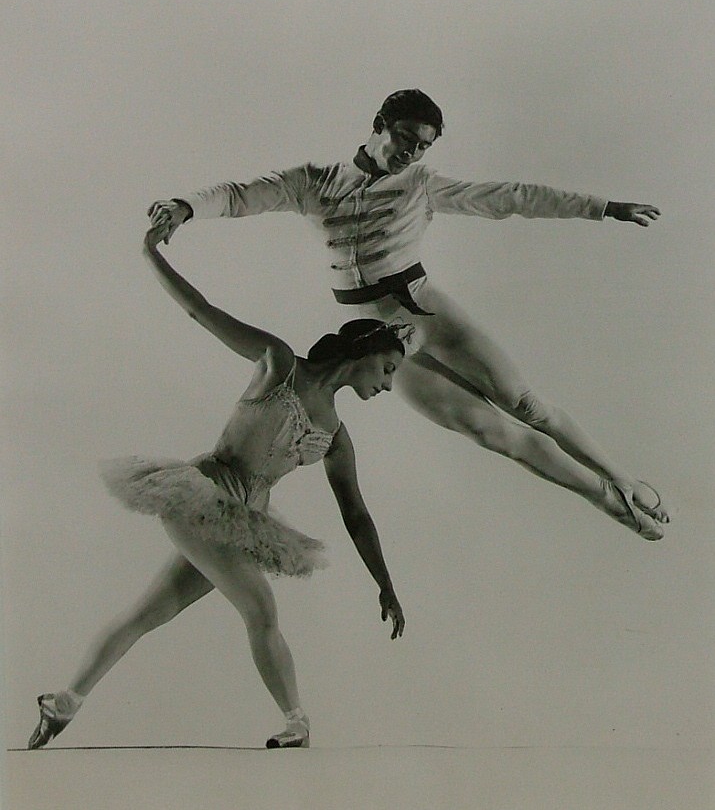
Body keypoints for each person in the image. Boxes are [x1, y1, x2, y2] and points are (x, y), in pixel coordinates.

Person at [147, 89, 669, 540]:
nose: (411, 153)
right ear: (378, 126)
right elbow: (242, 196)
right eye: (405, 139)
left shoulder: (420, 184)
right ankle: (606, 500)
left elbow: (510, 197)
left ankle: (625, 480)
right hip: (377, 335)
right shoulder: (314, 182)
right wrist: (185, 206)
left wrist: (603, 207)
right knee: (491, 432)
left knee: (526, 404)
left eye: (423, 145)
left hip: (428, 310)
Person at [28, 226, 407, 752]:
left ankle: (65, 701)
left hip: (246, 521)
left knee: (148, 613)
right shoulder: (279, 362)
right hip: (200, 496)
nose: (387, 386)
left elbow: (357, 516)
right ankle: (297, 720)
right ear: (364, 349)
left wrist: (385, 584)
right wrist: (148, 252)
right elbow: (200, 310)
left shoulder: (337, 438)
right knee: (260, 607)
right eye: (388, 370)